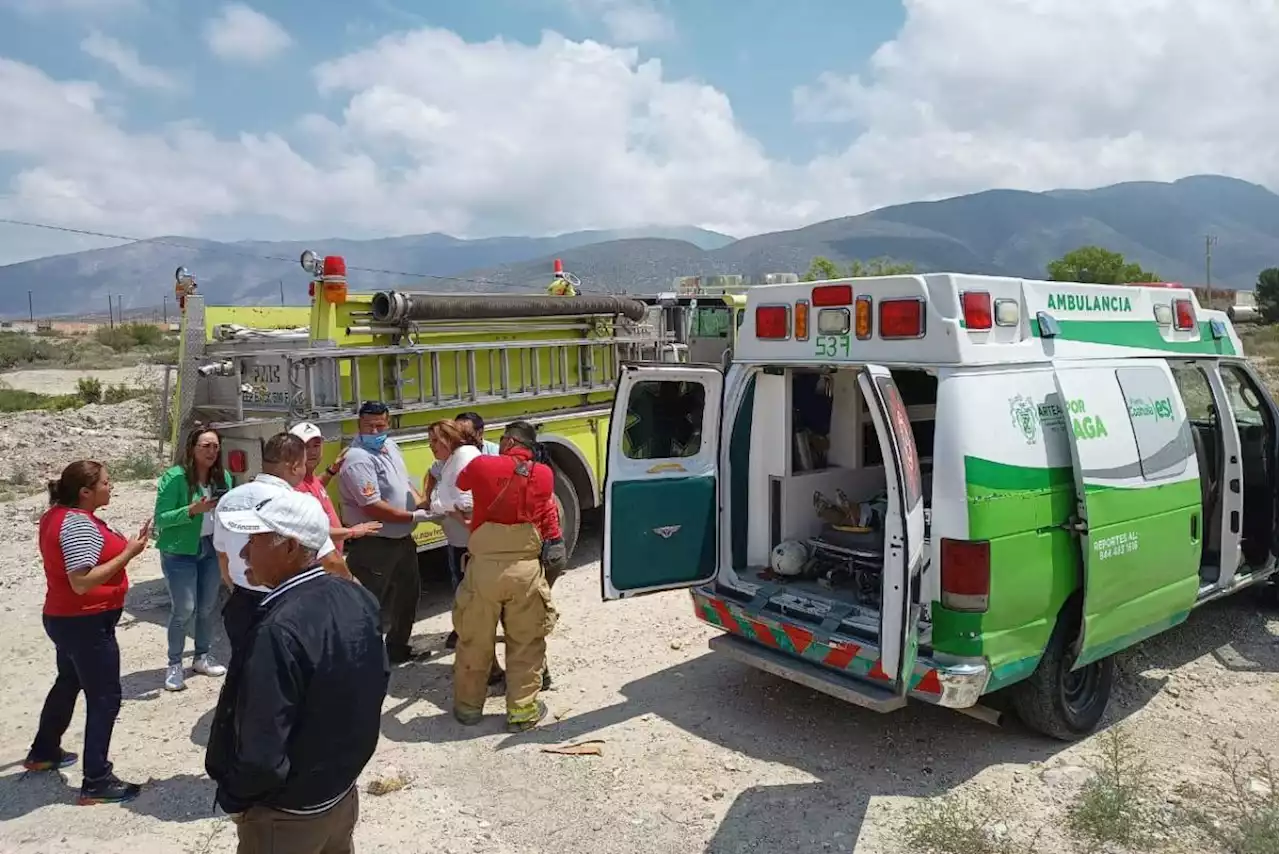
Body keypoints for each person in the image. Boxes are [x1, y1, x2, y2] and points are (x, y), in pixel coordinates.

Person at [206, 491, 389, 854]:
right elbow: (375, 686)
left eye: (254, 542)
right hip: (338, 796)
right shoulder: (356, 597)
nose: (243, 554)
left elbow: (261, 752)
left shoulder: (277, 630)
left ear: (290, 548)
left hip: (286, 818)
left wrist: (234, 797)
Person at [26, 461, 151, 804]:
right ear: (85, 492)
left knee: (68, 681)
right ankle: (96, 780)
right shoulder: (78, 524)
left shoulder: (57, 514)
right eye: (106, 483)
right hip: (86, 622)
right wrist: (128, 553)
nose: (111, 487)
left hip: (64, 618)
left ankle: (44, 750)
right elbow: (81, 582)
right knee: (105, 698)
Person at [451, 420, 567, 731]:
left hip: (484, 567)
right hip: (524, 567)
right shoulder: (543, 474)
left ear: (505, 441)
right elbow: (546, 513)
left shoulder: (481, 464)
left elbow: (461, 484)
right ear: (531, 448)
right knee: (526, 642)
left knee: (475, 639)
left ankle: (468, 709)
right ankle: (522, 712)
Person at [214, 433, 348, 667]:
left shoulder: (228, 499)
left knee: (244, 671)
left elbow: (223, 557)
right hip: (285, 603)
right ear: (295, 465)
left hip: (240, 604)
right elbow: (331, 561)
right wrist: (354, 592)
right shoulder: (297, 504)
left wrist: (237, 589)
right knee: (287, 676)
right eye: (304, 464)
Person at [337, 400, 434, 665]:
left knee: (408, 595)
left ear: (388, 423)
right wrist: (413, 516)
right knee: (367, 603)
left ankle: (397, 648)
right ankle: (360, 658)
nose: (375, 430)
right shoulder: (357, 459)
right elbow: (373, 507)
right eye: (369, 426)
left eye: (380, 425)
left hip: (402, 540)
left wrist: (422, 502)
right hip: (374, 544)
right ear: (359, 425)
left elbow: (404, 484)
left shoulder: (389, 446)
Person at [153, 427, 232, 692]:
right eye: (205, 446)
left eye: (215, 447)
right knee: (184, 608)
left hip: (210, 548)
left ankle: (201, 656)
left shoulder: (224, 478)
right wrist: (191, 510)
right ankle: (175, 664)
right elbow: (161, 519)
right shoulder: (174, 478)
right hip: (179, 551)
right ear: (192, 448)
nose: (211, 451)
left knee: (208, 606)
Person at [424, 420, 482, 650]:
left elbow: (465, 500)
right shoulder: (451, 460)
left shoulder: (464, 456)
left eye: (436, 441)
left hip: (467, 543)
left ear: (449, 438)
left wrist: (438, 504)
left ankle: (476, 647)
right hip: (459, 540)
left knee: (470, 597)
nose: (432, 446)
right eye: (430, 442)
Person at [290, 421, 383, 551]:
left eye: (316, 445)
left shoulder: (308, 478)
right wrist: (353, 532)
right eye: (305, 447)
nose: (312, 452)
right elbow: (311, 531)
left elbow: (314, 487)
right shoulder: (294, 485)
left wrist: (332, 470)